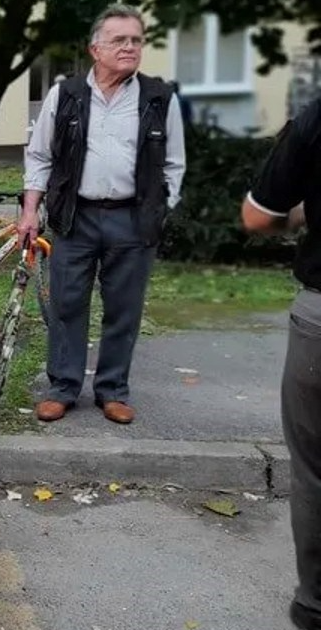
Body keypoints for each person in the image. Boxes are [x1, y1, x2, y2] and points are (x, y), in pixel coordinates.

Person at [19, 3, 186, 424]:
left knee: (123, 308)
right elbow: (39, 156)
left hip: (132, 220)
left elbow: (174, 164)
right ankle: (63, 387)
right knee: (67, 304)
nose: (130, 47)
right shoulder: (66, 95)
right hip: (76, 216)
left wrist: (160, 207)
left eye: (136, 40)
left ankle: (113, 390)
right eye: (120, 40)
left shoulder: (159, 98)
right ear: (96, 48)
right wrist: (29, 211)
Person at [240, 95, 321, 630]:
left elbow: (257, 217)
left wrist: (301, 211)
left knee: (315, 469)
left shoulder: (317, 118)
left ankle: (316, 603)